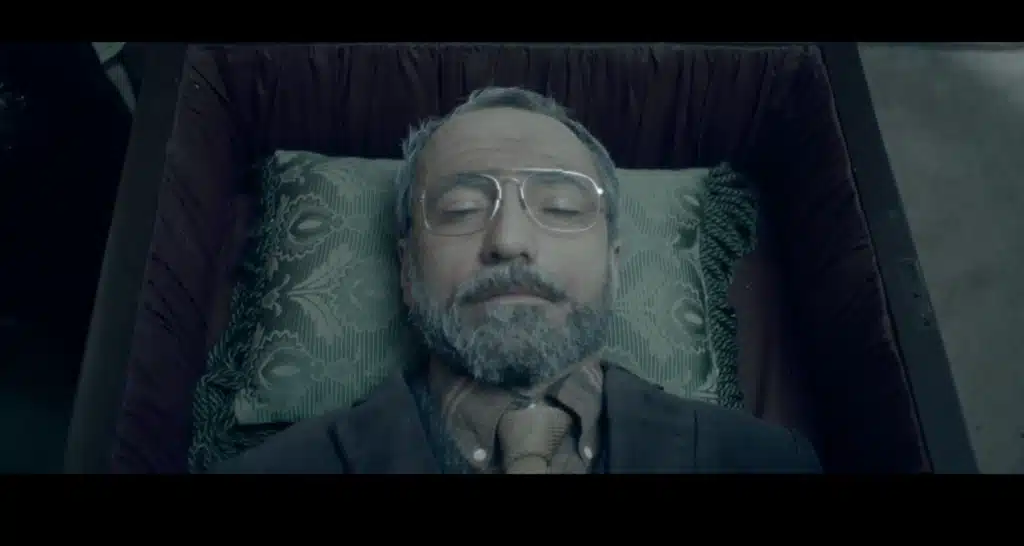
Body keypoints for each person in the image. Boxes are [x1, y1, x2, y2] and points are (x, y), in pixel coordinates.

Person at [211, 87, 821, 474]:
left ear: (614, 262)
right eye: (460, 210)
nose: (508, 239)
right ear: (406, 271)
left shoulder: (767, 463)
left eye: (560, 206)